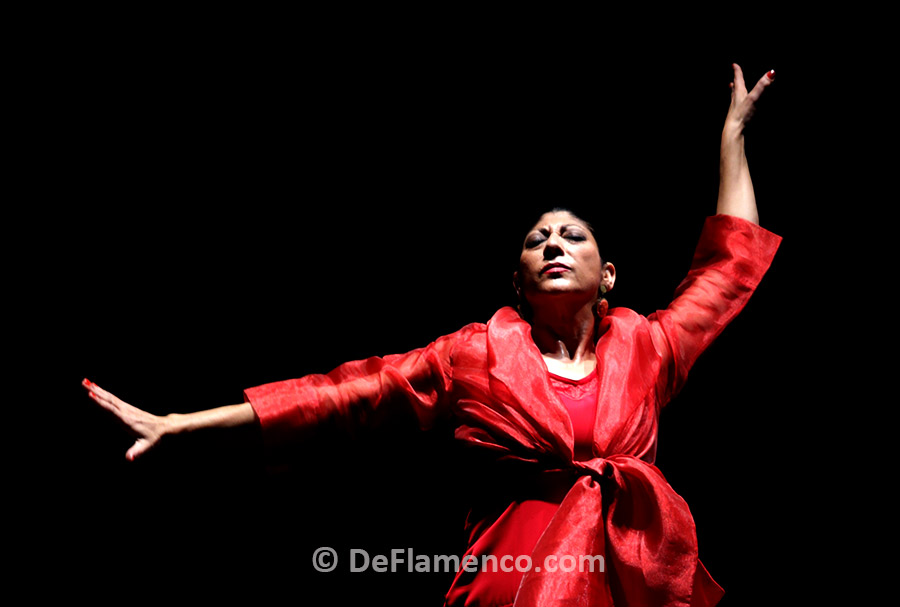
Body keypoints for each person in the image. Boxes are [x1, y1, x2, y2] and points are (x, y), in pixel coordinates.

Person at [82, 63, 780, 606]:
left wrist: (732, 141)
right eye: (537, 240)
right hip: (510, 583)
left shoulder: (648, 348)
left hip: (629, 583)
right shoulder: (474, 355)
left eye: (573, 236)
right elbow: (340, 396)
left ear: (609, 276)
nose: (554, 244)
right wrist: (185, 424)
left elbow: (726, 270)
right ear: (518, 282)